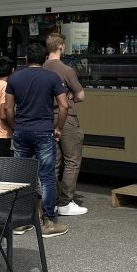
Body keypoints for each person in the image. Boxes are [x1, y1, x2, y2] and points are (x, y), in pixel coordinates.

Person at [4, 42, 69, 239]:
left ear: (26, 59)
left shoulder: (15, 78)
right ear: (45, 59)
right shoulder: (52, 77)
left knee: (22, 176)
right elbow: (64, 106)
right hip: (43, 131)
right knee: (47, 176)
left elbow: (8, 109)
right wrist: (58, 128)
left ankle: (22, 221)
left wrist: (16, 127)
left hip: (22, 130)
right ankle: (48, 222)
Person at [44, 32, 87, 216]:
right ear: (61, 47)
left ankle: (50, 201)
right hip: (66, 117)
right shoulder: (66, 70)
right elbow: (81, 96)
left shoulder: (41, 67)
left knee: (53, 162)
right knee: (72, 161)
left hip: (46, 117)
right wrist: (69, 97)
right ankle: (65, 202)